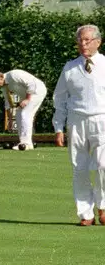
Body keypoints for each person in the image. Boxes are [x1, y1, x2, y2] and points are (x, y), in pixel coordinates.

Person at [52, 24, 105, 225]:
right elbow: (60, 99)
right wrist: (58, 127)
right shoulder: (70, 67)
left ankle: (103, 205)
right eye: (80, 40)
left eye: (87, 40)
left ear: (98, 42)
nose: (83, 44)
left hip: (102, 119)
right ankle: (86, 213)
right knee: (79, 167)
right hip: (76, 122)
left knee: (103, 165)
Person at [0, 68, 47, 150]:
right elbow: (8, 103)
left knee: (25, 113)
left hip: (37, 90)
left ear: (0, 77)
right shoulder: (4, 87)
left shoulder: (13, 75)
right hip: (26, 95)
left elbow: (31, 84)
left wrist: (27, 99)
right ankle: (23, 142)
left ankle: (26, 143)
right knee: (18, 114)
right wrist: (10, 120)